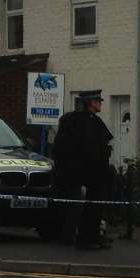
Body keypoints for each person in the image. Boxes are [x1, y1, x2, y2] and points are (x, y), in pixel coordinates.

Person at [52, 90, 113, 250]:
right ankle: (84, 238)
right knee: (84, 205)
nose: (100, 103)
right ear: (91, 102)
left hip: (85, 172)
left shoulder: (86, 121)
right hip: (82, 172)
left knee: (88, 204)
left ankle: (88, 236)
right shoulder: (81, 121)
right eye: (98, 100)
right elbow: (86, 149)